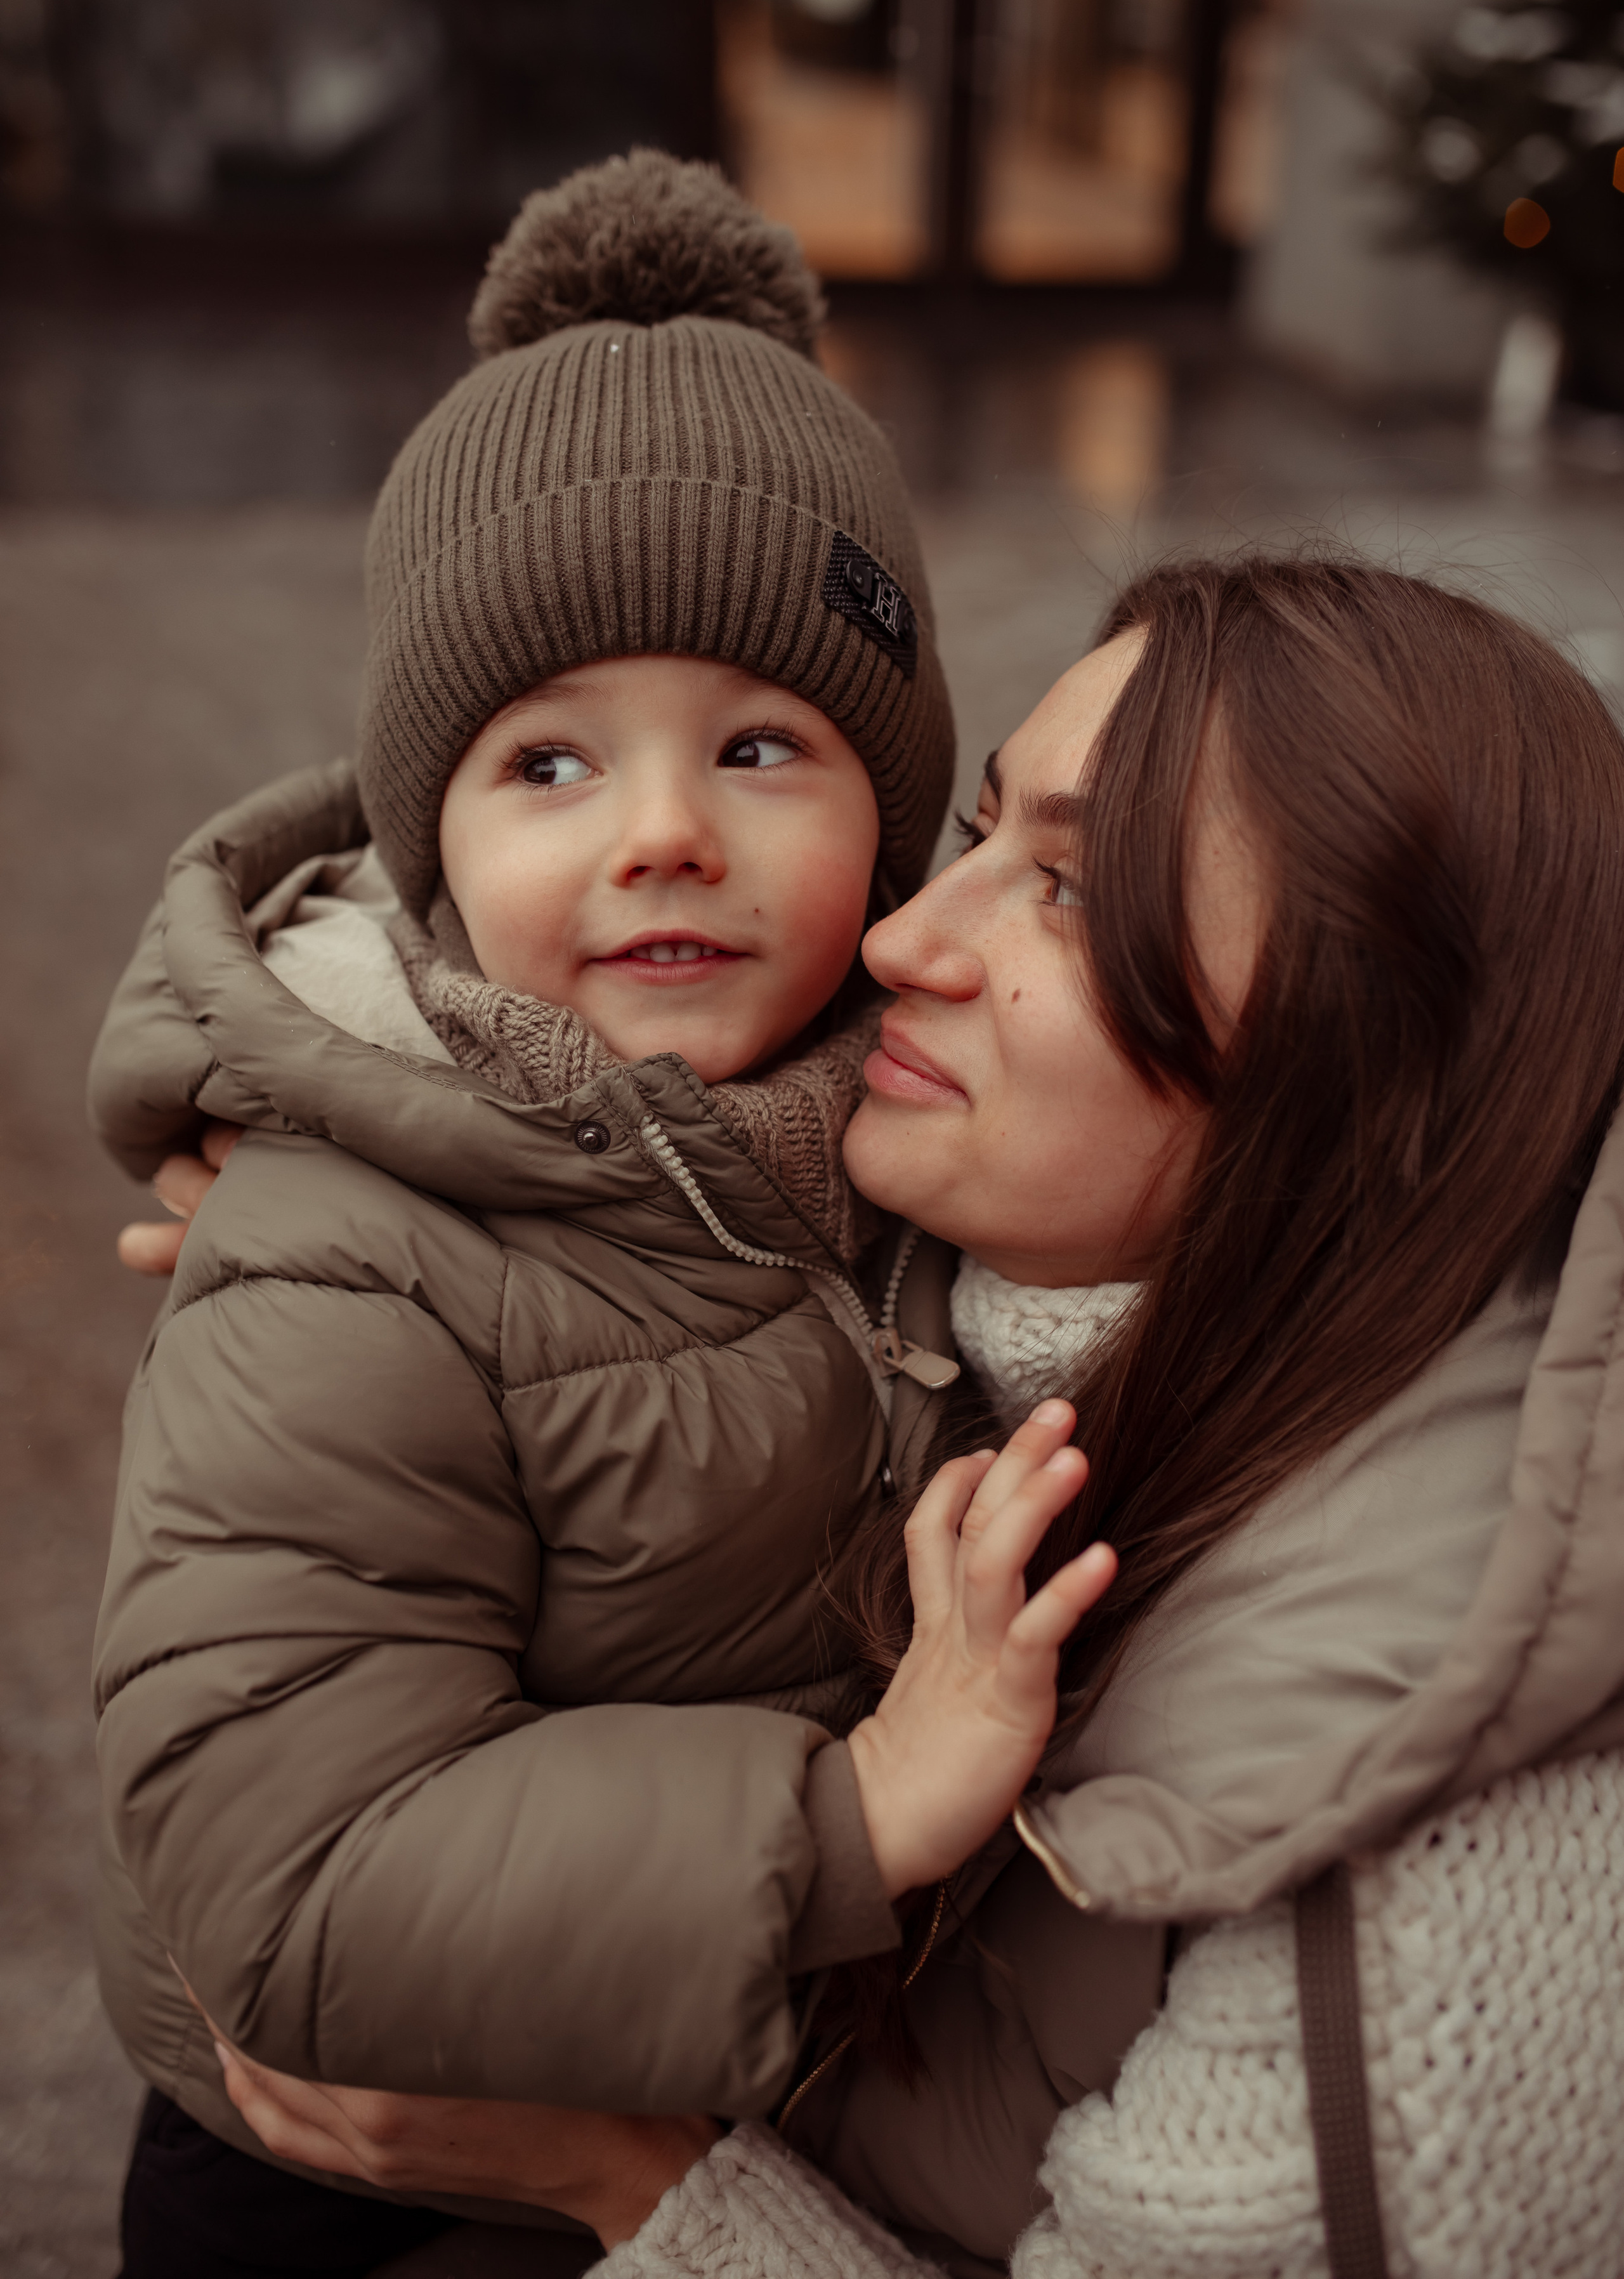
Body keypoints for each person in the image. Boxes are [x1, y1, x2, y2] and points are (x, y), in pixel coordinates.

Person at [168, 558, 1624, 2276]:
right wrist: (380, 1216)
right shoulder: (1005, 1274)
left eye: (1070, 890)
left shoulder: (1428, 1949)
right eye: (983, 831)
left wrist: (630, 2185)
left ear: (1367, 1070)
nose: (902, 939)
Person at [88, 149, 962, 2278]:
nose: (664, 833)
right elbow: (295, 1874)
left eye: (761, 747)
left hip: (728, 2097)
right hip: (367, 2172)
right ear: (435, 847)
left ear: (896, 816)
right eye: (550, 765)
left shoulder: (918, 1128)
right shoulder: (344, 1255)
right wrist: (856, 1820)